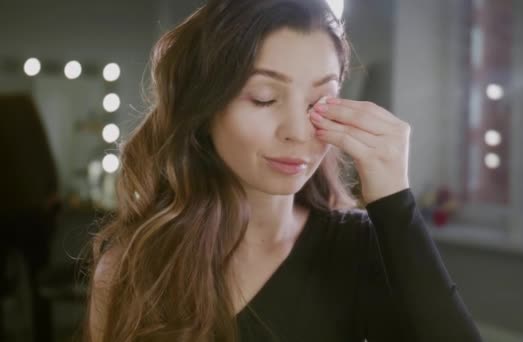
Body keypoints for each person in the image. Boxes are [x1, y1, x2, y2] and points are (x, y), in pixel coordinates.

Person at [85, 0, 482, 341]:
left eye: (320, 100)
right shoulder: (132, 267)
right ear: (205, 109)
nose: (297, 131)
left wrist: (395, 201)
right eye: (264, 98)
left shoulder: (357, 248)